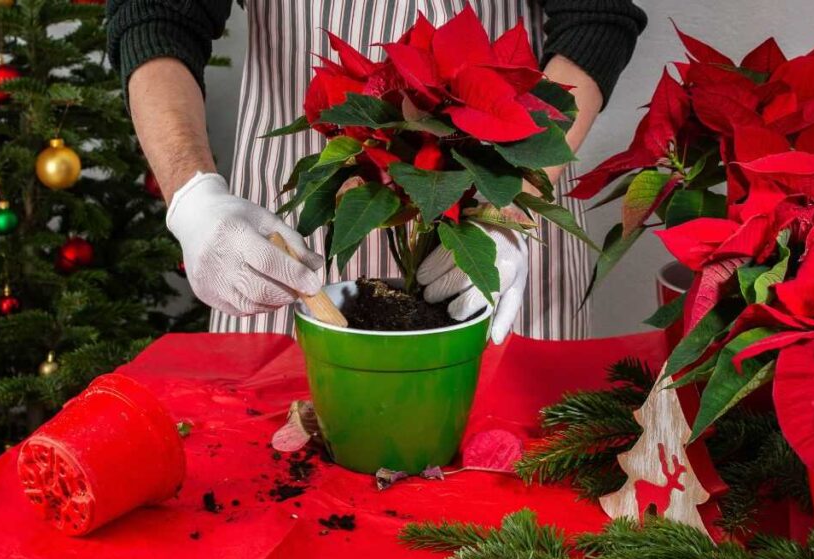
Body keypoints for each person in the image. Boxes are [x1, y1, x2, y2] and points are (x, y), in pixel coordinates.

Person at [108, 0, 647, 343]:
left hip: (498, 218)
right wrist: (192, 195)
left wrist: (505, 207)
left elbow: (595, 21)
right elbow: (156, 14)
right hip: (291, 232)